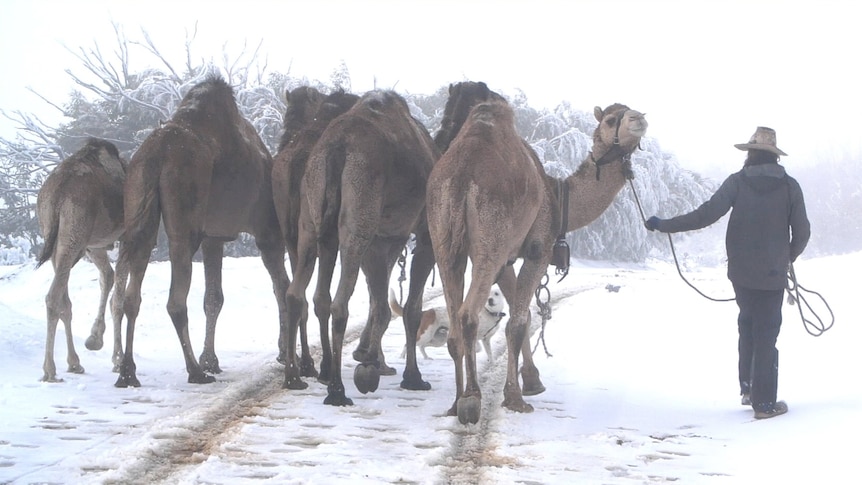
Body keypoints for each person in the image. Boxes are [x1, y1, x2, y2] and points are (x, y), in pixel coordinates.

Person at [645, 126, 810, 420]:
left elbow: (705, 215)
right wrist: (787, 258)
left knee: (747, 323)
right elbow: (803, 232)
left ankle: (748, 388)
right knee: (766, 334)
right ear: (774, 157)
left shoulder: (737, 182)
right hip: (772, 274)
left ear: (750, 154)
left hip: (741, 273)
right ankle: (764, 404)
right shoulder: (790, 186)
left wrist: (663, 224)